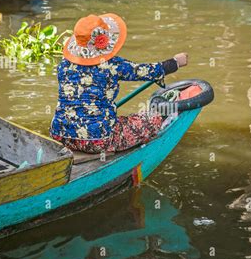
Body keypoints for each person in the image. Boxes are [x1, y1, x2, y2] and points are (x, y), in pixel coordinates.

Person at [50, 13, 188, 154]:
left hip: (60, 135)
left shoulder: (63, 65)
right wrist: (175, 62)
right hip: (98, 140)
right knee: (151, 119)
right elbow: (145, 71)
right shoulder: (112, 65)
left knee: (116, 120)